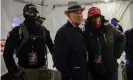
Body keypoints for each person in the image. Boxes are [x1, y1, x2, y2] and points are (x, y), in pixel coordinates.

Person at [3, 4, 53, 80]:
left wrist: (58, 61)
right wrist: (14, 72)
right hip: (24, 71)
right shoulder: (17, 31)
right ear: (25, 14)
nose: (33, 15)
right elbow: (7, 54)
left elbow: (52, 48)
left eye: (35, 12)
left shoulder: (43, 30)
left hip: (42, 69)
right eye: (30, 12)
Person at [83, 7, 125, 80]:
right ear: (89, 20)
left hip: (111, 69)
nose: (97, 20)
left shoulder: (109, 27)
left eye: (98, 17)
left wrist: (117, 53)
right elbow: (85, 50)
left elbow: (122, 37)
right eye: (93, 18)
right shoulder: (86, 33)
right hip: (96, 72)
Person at [53, 1, 88, 80]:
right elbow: (58, 61)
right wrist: (71, 75)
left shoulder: (78, 30)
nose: (80, 15)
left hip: (81, 74)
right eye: (76, 13)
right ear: (68, 15)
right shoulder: (62, 33)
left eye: (80, 12)